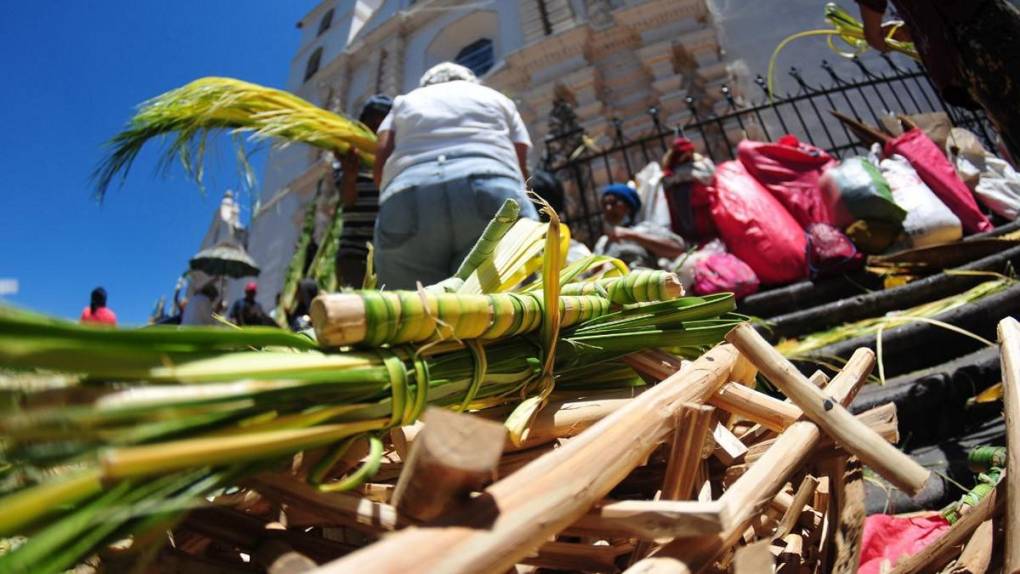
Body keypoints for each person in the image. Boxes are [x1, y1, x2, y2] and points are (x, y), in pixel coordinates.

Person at [372, 62, 539, 289]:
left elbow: (380, 161)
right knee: (507, 307)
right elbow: (521, 167)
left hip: (408, 193)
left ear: (427, 83)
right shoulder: (496, 98)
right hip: (491, 185)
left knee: (416, 313)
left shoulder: (404, 101)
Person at [856, 0, 1020, 162]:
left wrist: (873, 34)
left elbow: (873, 21)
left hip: (978, 41)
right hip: (998, 23)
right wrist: (917, 28)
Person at [332, 95, 393, 288]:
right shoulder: (350, 156)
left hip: (391, 253)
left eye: (381, 122)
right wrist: (350, 175)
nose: (376, 127)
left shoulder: (397, 158)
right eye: (371, 122)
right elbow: (347, 200)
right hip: (354, 254)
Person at [594, 184, 686, 270]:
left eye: (613, 203)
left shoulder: (644, 228)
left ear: (628, 206)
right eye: (604, 204)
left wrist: (631, 235)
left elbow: (677, 249)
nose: (608, 209)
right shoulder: (603, 242)